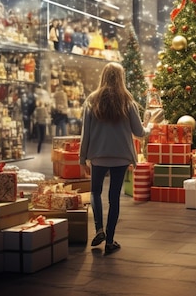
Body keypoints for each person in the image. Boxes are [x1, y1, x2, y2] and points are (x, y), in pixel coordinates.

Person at [79, 62, 148, 255]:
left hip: (98, 156)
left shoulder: (92, 100)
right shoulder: (128, 101)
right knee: (114, 198)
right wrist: (150, 126)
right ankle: (110, 240)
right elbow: (139, 131)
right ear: (121, 78)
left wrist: (82, 158)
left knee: (94, 192)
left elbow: (85, 134)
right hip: (121, 157)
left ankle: (98, 228)